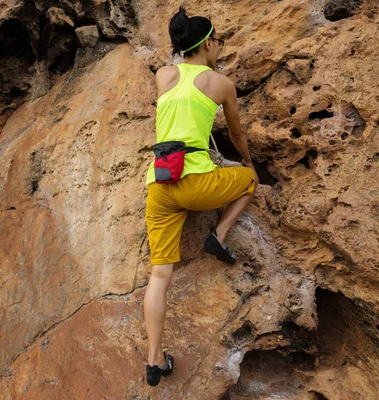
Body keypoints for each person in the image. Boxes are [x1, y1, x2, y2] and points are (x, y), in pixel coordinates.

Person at [143, 7, 259, 386]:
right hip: (196, 182)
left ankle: (154, 360)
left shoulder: (163, 76)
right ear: (209, 43)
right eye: (218, 41)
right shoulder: (220, 83)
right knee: (247, 182)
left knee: (159, 274)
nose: (219, 47)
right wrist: (246, 162)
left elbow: (177, 76)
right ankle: (219, 236)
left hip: (159, 183)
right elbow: (237, 134)